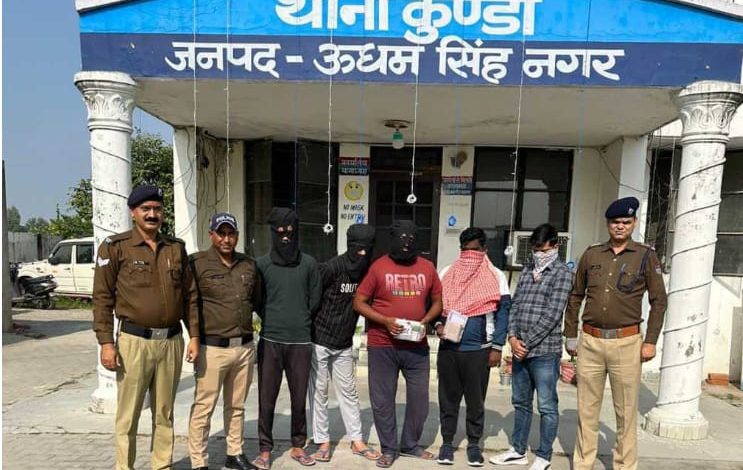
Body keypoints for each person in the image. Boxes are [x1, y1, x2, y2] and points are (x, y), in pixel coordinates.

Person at [93, 184, 200, 470]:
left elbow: (190, 296)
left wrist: (194, 336)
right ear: (133, 212)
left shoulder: (175, 248)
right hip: (133, 342)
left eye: (157, 209)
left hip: (171, 342)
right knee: (128, 415)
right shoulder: (115, 247)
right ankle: (124, 467)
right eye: (146, 209)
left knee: (164, 413)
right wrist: (106, 343)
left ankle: (162, 465)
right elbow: (102, 298)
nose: (152, 214)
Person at [564, 197, 667, 470]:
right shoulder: (592, 254)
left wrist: (651, 341)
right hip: (591, 342)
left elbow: (659, 300)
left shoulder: (645, 256)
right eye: (615, 222)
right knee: (587, 409)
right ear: (608, 224)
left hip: (627, 342)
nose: (620, 226)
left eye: (626, 222)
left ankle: (624, 465)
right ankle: (583, 463)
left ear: (634, 224)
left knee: (626, 411)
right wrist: (570, 334)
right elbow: (575, 295)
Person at [353, 220, 443, 469]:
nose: (406, 242)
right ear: (391, 239)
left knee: (420, 400)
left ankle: (410, 445)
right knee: (382, 400)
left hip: (417, 346)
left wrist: (426, 320)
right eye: (401, 238)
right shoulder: (378, 267)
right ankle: (389, 449)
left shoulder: (427, 267)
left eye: (411, 238)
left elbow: (438, 301)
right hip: (383, 345)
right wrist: (385, 321)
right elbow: (359, 302)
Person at [490, 224, 573, 470]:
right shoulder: (527, 269)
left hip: (544, 351)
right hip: (520, 350)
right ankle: (518, 450)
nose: (539, 254)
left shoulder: (562, 273)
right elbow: (515, 305)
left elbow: (553, 314)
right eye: (536, 249)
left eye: (543, 249)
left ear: (555, 246)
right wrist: (512, 337)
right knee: (520, 402)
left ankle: (544, 455)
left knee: (546, 405)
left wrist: (526, 342)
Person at [188, 212, 261, 470]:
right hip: (212, 349)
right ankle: (199, 462)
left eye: (231, 234)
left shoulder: (248, 265)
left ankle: (234, 453)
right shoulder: (197, 264)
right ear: (211, 235)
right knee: (204, 407)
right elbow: (190, 304)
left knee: (236, 406)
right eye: (221, 233)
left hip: (244, 347)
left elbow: (257, 300)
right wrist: (193, 338)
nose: (226, 239)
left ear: (237, 236)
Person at [434, 227, 511, 467]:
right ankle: (447, 444)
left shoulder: (496, 276)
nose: (470, 255)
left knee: (476, 402)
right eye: (465, 250)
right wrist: (437, 325)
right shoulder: (447, 272)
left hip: (479, 350)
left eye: (475, 250)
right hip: (449, 349)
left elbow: (503, 313)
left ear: (484, 250)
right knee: (448, 399)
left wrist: (497, 347)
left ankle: (474, 445)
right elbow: (436, 307)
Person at [253, 207, 322, 470]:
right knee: (266, 398)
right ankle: (264, 449)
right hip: (270, 340)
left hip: (300, 341)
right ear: (272, 232)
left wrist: (298, 318)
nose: (285, 237)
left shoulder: (309, 264)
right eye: (280, 232)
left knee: (298, 398)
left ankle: (298, 445)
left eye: (290, 232)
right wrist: (274, 318)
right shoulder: (262, 265)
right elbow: (258, 300)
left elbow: (314, 301)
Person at [308, 223, 381, 463]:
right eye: (358, 249)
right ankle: (322, 442)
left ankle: (357, 441)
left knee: (349, 393)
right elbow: (311, 298)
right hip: (319, 339)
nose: (363, 254)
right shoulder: (331, 268)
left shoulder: (368, 271)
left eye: (367, 249)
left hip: (344, 342)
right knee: (318, 393)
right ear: (350, 246)